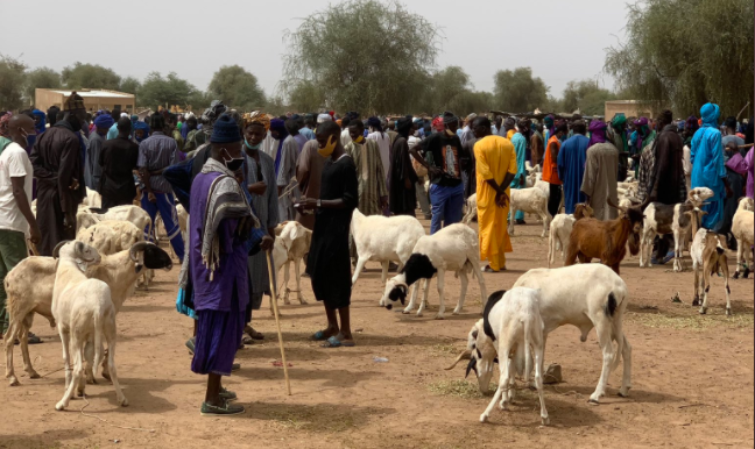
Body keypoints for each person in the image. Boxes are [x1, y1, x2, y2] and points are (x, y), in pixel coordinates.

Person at [189, 113, 270, 415]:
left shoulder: (201, 178)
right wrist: (257, 236)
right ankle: (211, 397)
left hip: (204, 268)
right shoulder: (224, 184)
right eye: (236, 151)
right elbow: (233, 229)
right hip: (223, 271)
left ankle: (218, 388)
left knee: (214, 328)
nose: (239, 157)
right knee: (223, 332)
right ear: (224, 151)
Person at [298, 120, 358, 348]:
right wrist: (310, 206)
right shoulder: (329, 162)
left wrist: (319, 202)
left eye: (323, 141)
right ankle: (331, 325)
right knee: (319, 273)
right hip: (322, 228)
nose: (320, 145)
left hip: (337, 231)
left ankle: (346, 331)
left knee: (338, 279)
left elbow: (349, 200)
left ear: (334, 137)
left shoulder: (345, 164)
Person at [29, 92, 87, 256]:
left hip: (44, 195)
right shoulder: (71, 139)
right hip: (62, 199)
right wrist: (67, 212)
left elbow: (33, 165)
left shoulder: (43, 135)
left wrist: (51, 178)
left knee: (46, 238)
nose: (83, 123)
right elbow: (63, 176)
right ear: (73, 115)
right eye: (81, 118)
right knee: (62, 245)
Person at [0, 115, 42, 338]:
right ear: (19, 130)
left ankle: (4, 325)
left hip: (2, 221)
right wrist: (33, 224)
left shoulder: (6, 152)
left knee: (2, 277)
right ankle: (16, 330)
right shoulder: (16, 153)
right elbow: (18, 191)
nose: (34, 132)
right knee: (18, 277)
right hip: (10, 223)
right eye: (31, 129)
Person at [241, 116, 279, 343]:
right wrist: (250, 189)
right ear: (244, 134)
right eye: (250, 134)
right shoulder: (237, 160)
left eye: (258, 134)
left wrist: (272, 226)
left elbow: (273, 194)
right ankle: (239, 326)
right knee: (242, 279)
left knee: (256, 280)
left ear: (264, 136)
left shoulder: (266, 160)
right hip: (243, 228)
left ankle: (246, 323)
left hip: (262, 228)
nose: (254, 137)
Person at [410, 112, 469, 233]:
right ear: (446, 126)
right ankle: (434, 244)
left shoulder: (455, 138)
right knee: (436, 218)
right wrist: (429, 167)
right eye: (453, 126)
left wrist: (464, 162)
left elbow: (461, 156)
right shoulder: (435, 138)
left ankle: (447, 244)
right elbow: (413, 150)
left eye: (456, 126)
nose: (455, 129)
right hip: (440, 185)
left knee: (453, 220)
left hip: (456, 185)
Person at [472, 117, 517, 272]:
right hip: (503, 195)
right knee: (500, 227)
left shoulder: (479, 146)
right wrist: (502, 191)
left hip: (488, 194)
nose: (473, 131)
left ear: (484, 128)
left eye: (475, 128)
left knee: (488, 229)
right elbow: (512, 171)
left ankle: (494, 264)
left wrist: (497, 191)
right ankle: (500, 261)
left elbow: (485, 172)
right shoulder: (507, 144)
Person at [138, 113, 185, 260]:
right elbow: (173, 167)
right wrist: (158, 172)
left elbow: (142, 169)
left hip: (147, 191)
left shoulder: (144, 144)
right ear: (163, 126)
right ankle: (183, 258)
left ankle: (148, 258)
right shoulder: (171, 143)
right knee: (173, 226)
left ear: (150, 127)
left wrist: (150, 190)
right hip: (165, 190)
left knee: (147, 227)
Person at [691, 103, 730, 230]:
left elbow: (693, 158)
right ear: (714, 116)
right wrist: (726, 184)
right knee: (713, 218)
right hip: (711, 183)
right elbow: (718, 160)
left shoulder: (697, 133)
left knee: (699, 214)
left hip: (696, 179)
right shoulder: (715, 134)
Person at [345, 119, 388, 215]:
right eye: (350, 133)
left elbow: (379, 170)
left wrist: (383, 194)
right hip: (357, 196)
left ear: (361, 130)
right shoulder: (348, 148)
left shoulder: (373, 144)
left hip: (373, 194)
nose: (352, 135)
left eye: (354, 132)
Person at [581, 120, 619, 221]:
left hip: (598, 194)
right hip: (612, 194)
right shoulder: (614, 150)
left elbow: (590, 177)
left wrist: (587, 196)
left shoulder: (592, 151)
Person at [99, 117, 139, 210]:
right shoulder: (134, 147)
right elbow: (136, 166)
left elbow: (100, 163)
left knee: (107, 218)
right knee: (124, 219)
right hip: (126, 189)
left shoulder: (106, 145)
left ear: (118, 128)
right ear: (130, 130)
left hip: (108, 188)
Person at [263, 118, 298, 221]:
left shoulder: (287, 142)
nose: (272, 134)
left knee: (285, 214)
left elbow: (284, 167)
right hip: (283, 183)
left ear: (277, 131)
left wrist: (278, 187)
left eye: (272, 131)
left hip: (286, 184)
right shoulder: (284, 140)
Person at [557, 120, 589, 214]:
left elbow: (560, 164)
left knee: (571, 205)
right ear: (584, 130)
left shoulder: (565, 144)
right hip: (586, 180)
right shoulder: (589, 143)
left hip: (569, 179)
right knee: (585, 207)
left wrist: (562, 177)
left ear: (572, 130)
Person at [389, 116, 418, 216]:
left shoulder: (399, 140)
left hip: (400, 180)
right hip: (402, 182)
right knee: (406, 207)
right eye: (411, 128)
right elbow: (403, 162)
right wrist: (406, 179)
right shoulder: (402, 142)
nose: (413, 130)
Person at [84, 113, 113, 191]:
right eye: (106, 128)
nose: (107, 130)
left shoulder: (100, 136)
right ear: (100, 127)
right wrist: (98, 180)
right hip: (95, 178)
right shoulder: (96, 140)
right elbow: (96, 163)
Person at [542, 122, 566, 217]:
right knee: (554, 195)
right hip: (554, 171)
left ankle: (552, 214)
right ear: (560, 132)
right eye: (563, 133)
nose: (563, 135)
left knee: (556, 194)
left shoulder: (555, 140)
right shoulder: (553, 142)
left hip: (555, 170)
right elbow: (554, 157)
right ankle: (552, 214)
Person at [366, 117, 392, 196]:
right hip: (386, 163)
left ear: (372, 126)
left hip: (376, 163)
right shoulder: (386, 135)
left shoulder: (371, 136)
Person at [510, 119, 528, 224]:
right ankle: (519, 217)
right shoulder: (522, 139)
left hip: (511, 169)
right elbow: (521, 157)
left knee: (511, 194)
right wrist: (521, 173)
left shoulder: (513, 137)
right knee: (520, 194)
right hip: (519, 169)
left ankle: (509, 216)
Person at [607, 113, 629, 180]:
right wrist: (622, 153)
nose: (625, 126)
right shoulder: (612, 136)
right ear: (619, 125)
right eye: (624, 124)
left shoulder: (622, 134)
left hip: (623, 165)